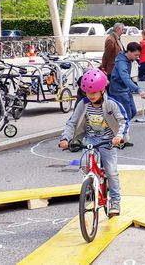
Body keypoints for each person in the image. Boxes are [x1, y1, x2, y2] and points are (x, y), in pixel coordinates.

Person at [59, 69, 127, 216]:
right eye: (87, 93)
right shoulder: (83, 104)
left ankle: (115, 201)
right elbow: (72, 122)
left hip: (108, 141)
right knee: (85, 165)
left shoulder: (111, 104)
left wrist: (119, 136)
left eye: (94, 93)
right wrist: (65, 138)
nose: (90, 96)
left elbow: (123, 121)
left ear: (102, 90)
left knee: (111, 171)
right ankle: (90, 185)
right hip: (90, 139)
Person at [109, 42, 145, 119]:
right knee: (126, 115)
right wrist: (138, 90)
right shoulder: (121, 63)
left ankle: (121, 127)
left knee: (133, 112)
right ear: (129, 52)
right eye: (135, 55)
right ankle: (120, 129)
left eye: (138, 55)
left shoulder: (128, 59)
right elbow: (125, 78)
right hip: (118, 90)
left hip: (125, 89)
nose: (137, 57)